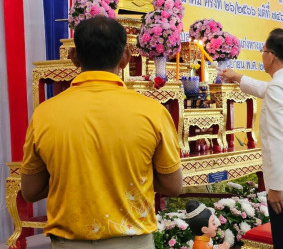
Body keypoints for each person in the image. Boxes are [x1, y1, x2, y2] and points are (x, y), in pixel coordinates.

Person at [21, 16, 183, 249]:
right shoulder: (152, 112)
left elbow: (30, 190)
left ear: (74, 58)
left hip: (68, 243)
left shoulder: (45, 114)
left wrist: (69, 177)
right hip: (132, 242)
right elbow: (173, 186)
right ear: (126, 58)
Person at [220, 28, 283, 249]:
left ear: (271, 55)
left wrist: (275, 187)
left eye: (263, 50)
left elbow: (279, 141)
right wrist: (238, 77)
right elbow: (269, 89)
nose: (262, 55)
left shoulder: (280, 88)